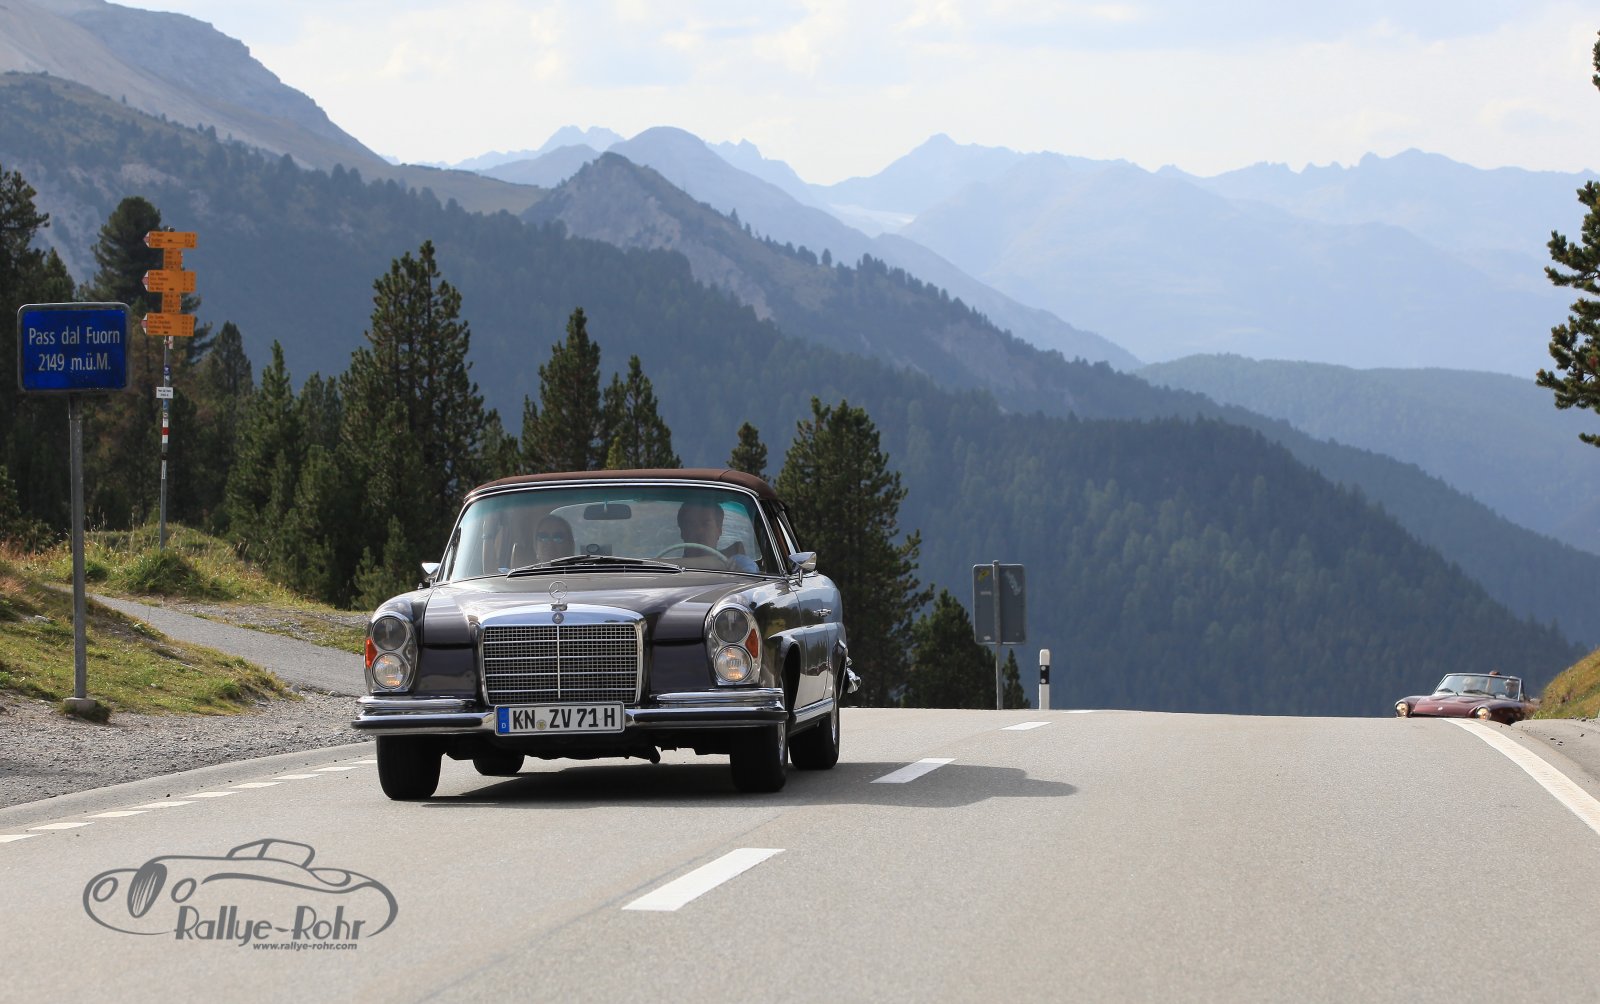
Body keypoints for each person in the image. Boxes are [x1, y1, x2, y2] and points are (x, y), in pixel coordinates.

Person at [676, 500, 757, 572]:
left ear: (719, 529)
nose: (699, 531)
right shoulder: (670, 568)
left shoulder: (738, 563)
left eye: (706, 524)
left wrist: (738, 574)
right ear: (682, 531)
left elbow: (752, 578)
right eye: (691, 525)